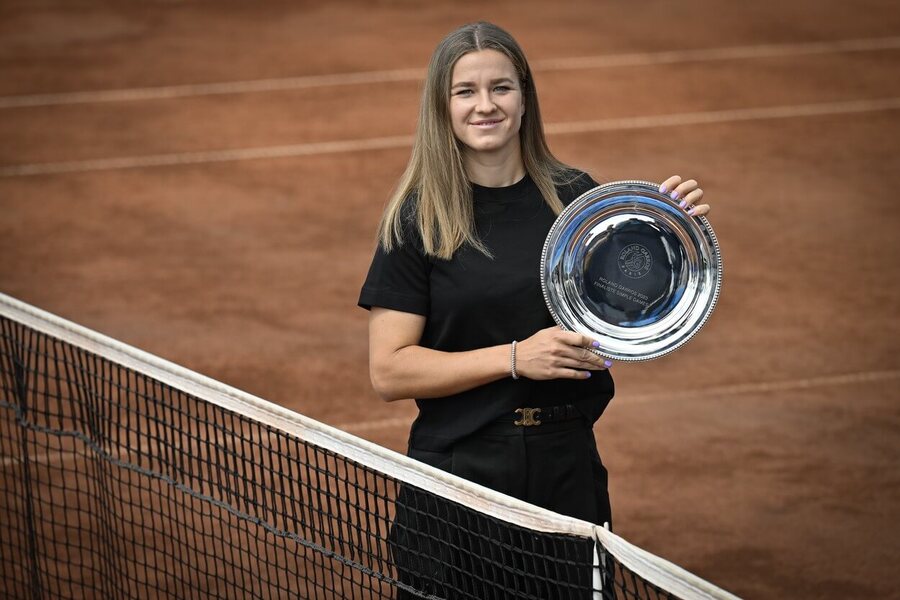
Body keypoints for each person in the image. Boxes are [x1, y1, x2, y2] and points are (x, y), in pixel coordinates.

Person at [358, 21, 710, 598]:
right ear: (441, 107)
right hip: (458, 475)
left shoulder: (578, 202)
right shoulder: (417, 218)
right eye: (465, 91)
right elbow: (389, 371)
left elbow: (625, 313)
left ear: (525, 97)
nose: (485, 105)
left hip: (564, 468)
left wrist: (666, 230)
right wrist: (516, 358)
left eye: (501, 87)